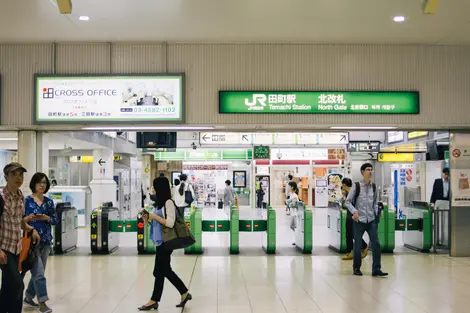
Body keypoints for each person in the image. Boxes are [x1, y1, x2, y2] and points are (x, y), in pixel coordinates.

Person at [138, 176, 192, 311]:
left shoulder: (168, 202)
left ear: (159, 188)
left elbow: (170, 223)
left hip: (166, 242)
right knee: (161, 271)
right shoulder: (159, 203)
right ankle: (183, 293)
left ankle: (155, 300)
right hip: (159, 241)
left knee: (161, 270)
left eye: (153, 186)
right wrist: (147, 218)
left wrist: (155, 216)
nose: (151, 189)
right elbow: (156, 222)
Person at [0, 162, 40, 313]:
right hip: (4, 248)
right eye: (13, 174)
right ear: (6, 177)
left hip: (16, 248)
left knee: (8, 285)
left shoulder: (21, 196)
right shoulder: (1, 198)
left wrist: (30, 229)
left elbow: (20, 220)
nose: (18, 178)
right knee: (18, 284)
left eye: (20, 174)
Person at [346, 163, 388, 277]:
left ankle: (376, 269)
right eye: (367, 170)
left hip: (371, 220)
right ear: (362, 172)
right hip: (359, 220)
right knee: (358, 245)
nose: (370, 172)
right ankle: (356, 268)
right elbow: (348, 201)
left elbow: (375, 202)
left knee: (376, 244)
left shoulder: (374, 187)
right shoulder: (356, 186)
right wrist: (354, 211)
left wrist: (377, 212)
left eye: (371, 170)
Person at [23, 172, 57, 313]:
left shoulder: (49, 202)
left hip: (46, 242)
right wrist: (27, 219)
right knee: (39, 273)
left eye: (43, 182)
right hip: (31, 242)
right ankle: (42, 303)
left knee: (38, 272)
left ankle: (29, 297)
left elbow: (55, 221)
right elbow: (20, 220)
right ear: (34, 184)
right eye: (38, 182)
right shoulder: (26, 201)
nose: (41, 185)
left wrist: (46, 218)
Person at [341, 178, 368, 260]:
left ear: (344, 185)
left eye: (342, 184)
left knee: (352, 234)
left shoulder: (351, 194)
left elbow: (347, 205)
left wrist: (343, 203)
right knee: (349, 234)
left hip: (353, 216)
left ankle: (364, 246)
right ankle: (350, 252)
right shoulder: (350, 193)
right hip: (351, 216)